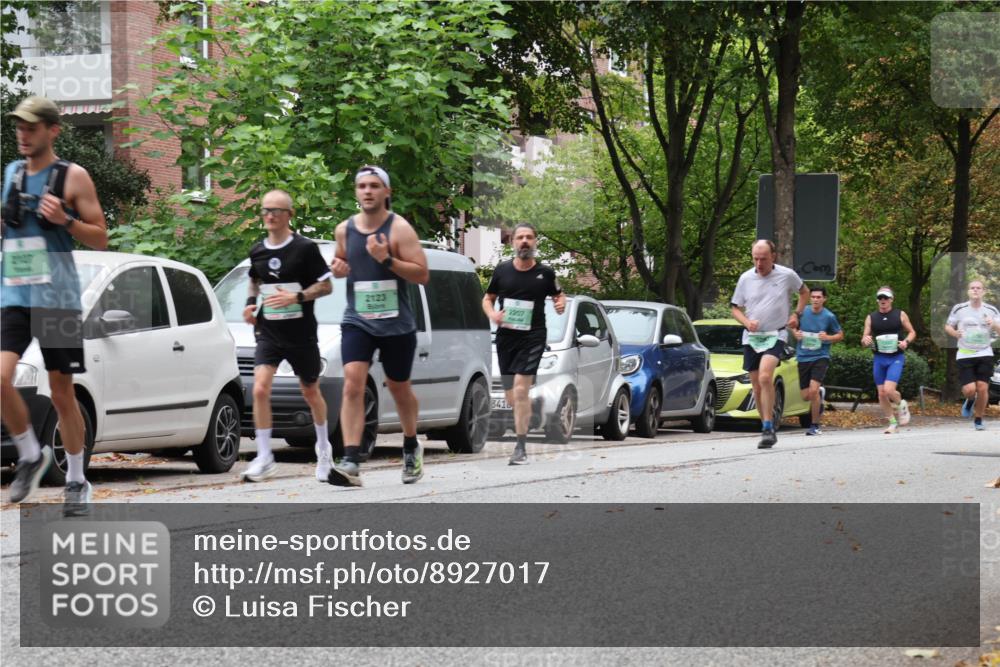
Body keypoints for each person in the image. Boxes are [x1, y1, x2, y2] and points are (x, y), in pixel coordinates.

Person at [0, 96, 108, 513]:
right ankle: (30, 454)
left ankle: (77, 479)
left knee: (62, 393)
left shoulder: (72, 176)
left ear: (52, 130)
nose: (23, 135)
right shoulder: (11, 173)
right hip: (15, 294)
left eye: (31, 128)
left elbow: (101, 237)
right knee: (1, 378)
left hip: (57, 300)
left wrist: (66, 220)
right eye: (19, 128)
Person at [328, 166, 429, 487]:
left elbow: (422, 274)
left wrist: (386, 259)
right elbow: (342, 263)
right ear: (356, 192)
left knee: (399, 387)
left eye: (374, 185)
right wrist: (339, 268)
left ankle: (411, 444)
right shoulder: (344, 230)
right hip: (358, 319)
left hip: (396, 323)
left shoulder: (399, 229)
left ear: (387, 192)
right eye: (362, 186)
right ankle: (351, 458)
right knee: (352, 383)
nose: (367, 191)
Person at [241, 189, 333, 482]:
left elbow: (326, 286)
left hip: (300, 333)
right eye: (265, 210)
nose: (269, 215)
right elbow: (255, 280)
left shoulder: (305, 249)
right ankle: (264, 456)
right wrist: (250, 304)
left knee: (310, 392)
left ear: (289, 215)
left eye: (276, 211)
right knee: (259, 389)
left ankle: (323, 448)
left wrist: (298, 296)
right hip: (269, 331)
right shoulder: (258, 250)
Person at [482, 223, 566, 464]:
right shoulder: (502, 271)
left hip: (533, 337)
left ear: (535, 242)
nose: (525, 241)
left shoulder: (546, 273)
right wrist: (493, 314)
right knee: (512, 397)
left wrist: (561, 303)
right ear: (513, 243)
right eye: (520, 237)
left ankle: (520, 448)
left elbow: (559, 294)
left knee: (520, 390)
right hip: (506, 338)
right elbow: (487, 299)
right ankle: (530, 407)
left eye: (529, 237)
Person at [730, 239, 810, 449]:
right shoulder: (745, 278)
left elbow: (805, 292)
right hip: (752, 337)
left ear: (773, 256)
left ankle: (768, 426)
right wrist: (747, 322)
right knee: (756, 386)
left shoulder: (786, 275)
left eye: (763, 259)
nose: (759, 263)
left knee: (766, 377)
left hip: (776, 334)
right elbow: (735, 308)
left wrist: (797, 314)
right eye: (755, 259)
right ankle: (767, 426)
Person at [945, 279, 1000, 431]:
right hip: (965, 353)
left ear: (984, 291)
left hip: (985, 352)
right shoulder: (959, 309)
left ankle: (978, 419)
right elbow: (948, 326)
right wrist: (955, 333)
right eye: (972, 288)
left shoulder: (991, 310)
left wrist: (994, 324)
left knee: (982, 387)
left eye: (978, 288)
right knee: (970, 389)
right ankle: (970, 400)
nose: (975, 290)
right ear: (968, 291)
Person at [861, 286, 916, 434]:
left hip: (895, 357)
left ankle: (901, 404)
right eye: (880, 298)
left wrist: (906, 342)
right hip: (879, 358)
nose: (883, 300)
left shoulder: (900, 314)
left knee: (889, 390)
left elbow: (912, 332)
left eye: (885, 297)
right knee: (881, 393)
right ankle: (892, 423)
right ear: (877, 300)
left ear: (891, 299)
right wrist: (865, 340)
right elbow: (864, 338)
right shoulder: (871, 317)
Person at [792, 285, 844, 435]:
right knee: (806, 396)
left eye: (818, 297)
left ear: (824, 299)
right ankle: (820, 393)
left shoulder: (829, 316)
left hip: (820, 356)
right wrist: (796, 333)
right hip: (803, 356)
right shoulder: (802, 312)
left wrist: (828, 337)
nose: (815, 300)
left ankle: (814, 425)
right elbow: (792, 325)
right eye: (813, 297)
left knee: (813, 390)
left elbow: (840, 335)